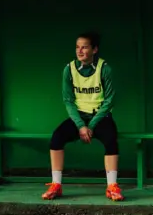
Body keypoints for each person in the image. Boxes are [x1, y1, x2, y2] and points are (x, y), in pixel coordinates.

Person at [42, 32, 123, 201]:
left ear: (94, 49)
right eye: (77, 47)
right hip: (79, 118)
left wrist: (90, 126)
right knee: (56, 138)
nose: (80, 51)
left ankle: (112, 187)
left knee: (111, 140)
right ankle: (56, 185)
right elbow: (68, 100)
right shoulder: (69, 69)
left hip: (100, 117)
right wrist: (80, 125)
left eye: (84, 47)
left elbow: (109, 100)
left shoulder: (104, 68)